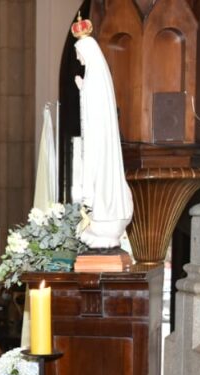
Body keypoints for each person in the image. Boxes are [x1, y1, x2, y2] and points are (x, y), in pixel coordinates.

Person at [73, 26, 133, 248]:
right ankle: (100, 218)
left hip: (101, 145)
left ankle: (105, 215)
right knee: (99, 179)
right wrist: (82, 91)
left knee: (103, 178)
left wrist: (84, 91)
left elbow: (96, 115)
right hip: (99, 141)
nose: (78, 58)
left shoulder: (95, 78)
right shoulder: (93, 77)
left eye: (79, 53)